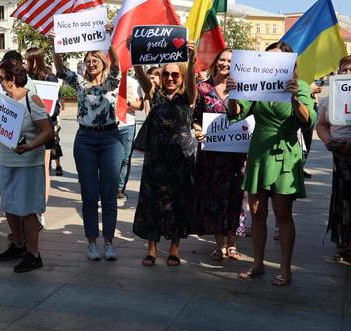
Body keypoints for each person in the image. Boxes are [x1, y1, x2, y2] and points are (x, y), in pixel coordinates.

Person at [228, 42, 316, 286]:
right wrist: (234, 93)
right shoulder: (256, 85)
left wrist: (295, 99)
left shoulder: (301, 86)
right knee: (257, 215)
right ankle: (257, 263)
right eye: (266, 58)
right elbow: (237, 112)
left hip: (285, 155)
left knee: (283, 215)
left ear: (288, 62)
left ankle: (285, 268)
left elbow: (308, 121)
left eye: (276, 59)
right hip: (259, 154)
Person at [131, 40, 197, 267]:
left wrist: (192, 59)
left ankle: (174, 249)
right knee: (152, 203)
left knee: (177, 203)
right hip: (156, 159)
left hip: (180, 160)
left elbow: (192, 85)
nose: (170, 79)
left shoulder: (187, 97)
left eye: (175, 76)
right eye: (166, 74)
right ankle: (151, 249)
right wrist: (136, 53)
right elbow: (140, 77)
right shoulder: (155, 94)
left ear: (182, 77)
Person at [54, 43, 123, 261]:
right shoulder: (80, 82)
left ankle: (109, 243)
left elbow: (117, 66)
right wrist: (55, 45)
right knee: (90, 195)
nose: (91, 64)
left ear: (103, 63)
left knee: (109, 195)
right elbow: (61, 69)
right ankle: (92, 242)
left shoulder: (111, 82)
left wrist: (110, 42)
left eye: (96, 61)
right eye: (88, 61)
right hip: (85, 139)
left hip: (110, 139)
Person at [0, 58, 52, 272]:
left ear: (12, 79)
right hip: (7, 161)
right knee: (9, 205)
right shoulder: (3, 100)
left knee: (27, 210)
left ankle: (33, 253)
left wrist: (31, 146)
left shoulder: (31, 99)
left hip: (28, 164)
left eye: (2, 77)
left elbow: (47, 131)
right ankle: (18, 244)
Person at [191, 49, 246, 261]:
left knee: (235, 197)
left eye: (229, 61)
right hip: (210, 155)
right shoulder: (203, 88)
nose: (224, 63)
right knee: (213, 198)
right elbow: (195, 117)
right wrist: (197, 129)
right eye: (221, 59)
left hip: (235, 155)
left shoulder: (242, 89)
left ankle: (232, 244)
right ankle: (219, 245)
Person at [316, 56, 351, 260]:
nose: (346, 73)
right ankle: (345, 241)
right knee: (342, 199)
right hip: (339, 156)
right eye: (343, 70)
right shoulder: (332, 99)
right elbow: (321, 124)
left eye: (350, 70)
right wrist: (328, 140)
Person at [24, 47, 59, 217]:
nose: (23, 63)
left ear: (34, 61)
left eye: (26, 60)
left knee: (43, 168)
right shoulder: (25, 78)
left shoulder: (49, 77)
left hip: (45, 128)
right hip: (29, 128)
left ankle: (41, 210)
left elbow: (55, 107)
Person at [117, 71, 144, 199]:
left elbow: (140, 105)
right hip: (109, 126)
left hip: (127, 125)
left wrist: (125, 102)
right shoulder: (107, 81)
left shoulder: (133, 83)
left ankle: (120, 188)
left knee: (125, 159)